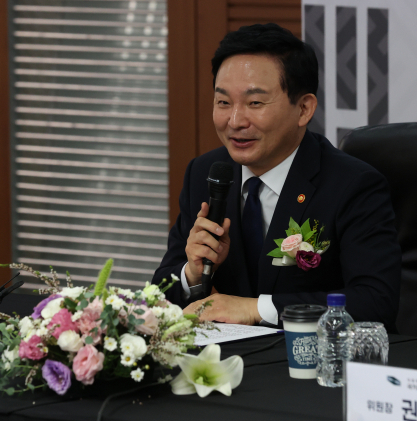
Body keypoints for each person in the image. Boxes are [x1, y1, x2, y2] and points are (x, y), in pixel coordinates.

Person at [153, 23, 401, 331]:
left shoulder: (353, 186)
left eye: (255, 103)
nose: (235, 121)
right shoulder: (205, 173)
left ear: (304, 109)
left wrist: (257, 309)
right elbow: (161, 290)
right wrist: (192, 273)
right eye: (223, 102)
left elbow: (375, 302)